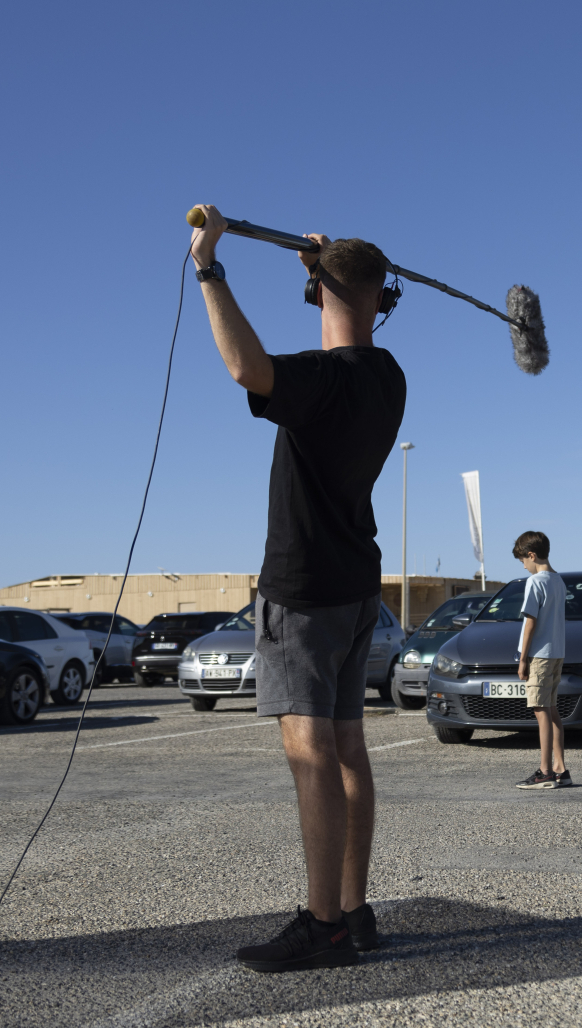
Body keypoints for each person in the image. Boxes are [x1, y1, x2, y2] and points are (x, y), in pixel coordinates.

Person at [189, 205, 406, 972]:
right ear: (383, 299)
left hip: (305, 588)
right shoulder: (387, 376)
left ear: (320, 292)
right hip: (354, 587)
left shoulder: (316, 382)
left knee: (310, 751)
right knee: (347, 746)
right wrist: (320, 275)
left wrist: (209, 268)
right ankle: (353, 909)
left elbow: (248, 368)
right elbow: (344, 325)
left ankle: (323, 924)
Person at [512, 531, 568, 789]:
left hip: (540, 656)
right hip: (557, 653)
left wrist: (523, 660)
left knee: (540, 710)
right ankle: (560, 769)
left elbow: (530, 623)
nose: (524, 565)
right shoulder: (559, 581)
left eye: (523, 560)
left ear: (532, 555)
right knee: (551, 708)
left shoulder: (535, 582)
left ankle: (545, 772)